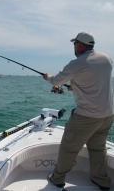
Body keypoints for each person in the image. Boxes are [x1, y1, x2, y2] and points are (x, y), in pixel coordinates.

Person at [43, 31, 114, 190]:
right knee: (98, 148)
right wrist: (75, 86)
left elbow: (56, 81)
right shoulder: (107, 59)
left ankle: (58, 178)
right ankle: (100, 180)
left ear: (81, 44)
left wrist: (47, 77)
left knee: (69, 148)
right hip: (107, 115)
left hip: (86, 116)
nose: (73, 47)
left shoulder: (77, 63)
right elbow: (93, 81)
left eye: (74, 43)